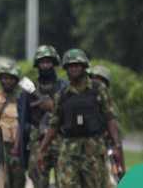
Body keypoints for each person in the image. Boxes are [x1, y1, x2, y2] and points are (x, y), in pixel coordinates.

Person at [37, 49, 123, 188]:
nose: (74, 68)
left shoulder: (98, 89)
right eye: (70, 66)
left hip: (94, 149)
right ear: (66, 68)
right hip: (69, 149)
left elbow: (110, 118)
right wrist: (42, 150)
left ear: (84, 66)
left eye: (77, 65)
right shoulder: (62, 95)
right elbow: (54, 125)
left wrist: (116, 145)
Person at [16, 45, 67, 188]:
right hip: (37, 141)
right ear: (37, 65)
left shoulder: (64, 87)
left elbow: (70, 112)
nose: (45, 65)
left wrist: (53, 106)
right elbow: (23, 118)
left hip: (60, 138)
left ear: (54, 63)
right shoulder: (29, 89)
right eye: (42, 62)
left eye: (48, 62)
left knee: (65, 181)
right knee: (38, 180)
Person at [90, 65, 125, 186]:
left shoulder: (110, 106)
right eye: (94, 78)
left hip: (105, 152)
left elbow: (117, 140)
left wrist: (121, 168)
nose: (97, 83)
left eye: (101, 80)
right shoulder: (81, 100)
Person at [0, 66, 26, 188]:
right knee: (2, 180)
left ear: (16, 80)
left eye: (11, 78)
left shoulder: (22, 98)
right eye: (4, 78)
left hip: (18, 145)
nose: (7, 81)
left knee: (18, 180)